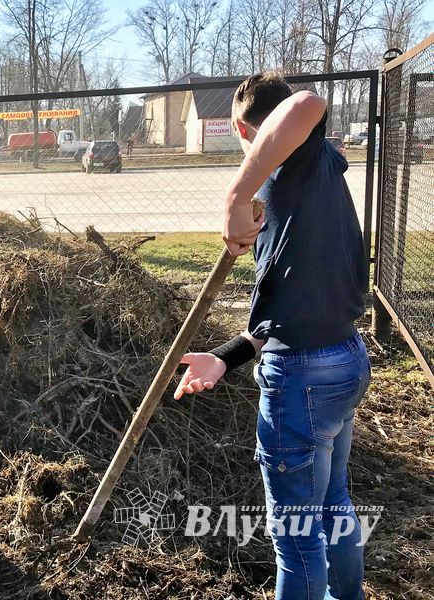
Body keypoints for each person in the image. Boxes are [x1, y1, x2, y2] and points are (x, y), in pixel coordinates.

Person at [174, 73, 370, 600]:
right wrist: (225, 358)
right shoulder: (317, 175)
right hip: (345, 359)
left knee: (297, 538)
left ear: (241, 127)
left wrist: (236, 192)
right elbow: (283, 310)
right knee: (332, 505)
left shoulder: (297, 161)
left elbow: (308, 102)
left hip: (303, 380)